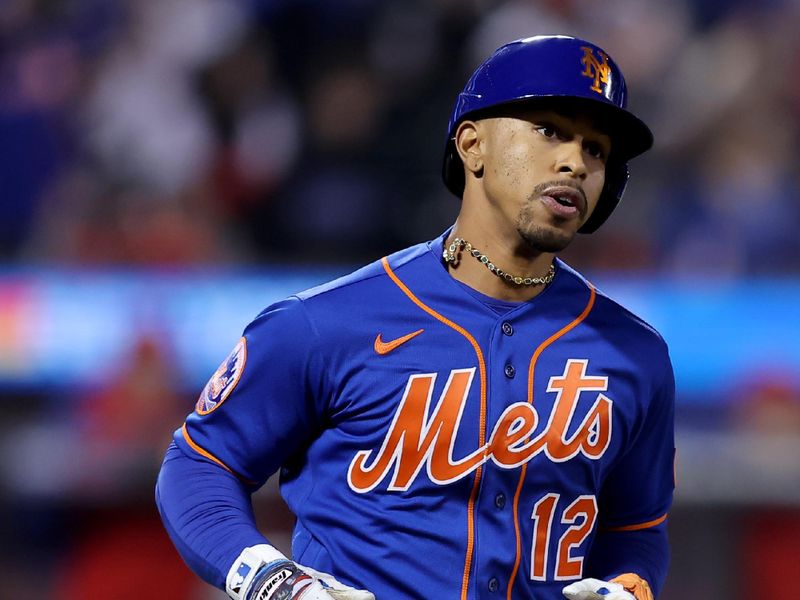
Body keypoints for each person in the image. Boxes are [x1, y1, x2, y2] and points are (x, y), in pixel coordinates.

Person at [156, 35, 675, 600]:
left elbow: (637, 529)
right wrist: (274, 583)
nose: (575, 162)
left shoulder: (633, 354)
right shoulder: (325, 324)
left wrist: (628, 587)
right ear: (473, 145)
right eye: (549, 130)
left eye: (596, 149)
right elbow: (199, 466)